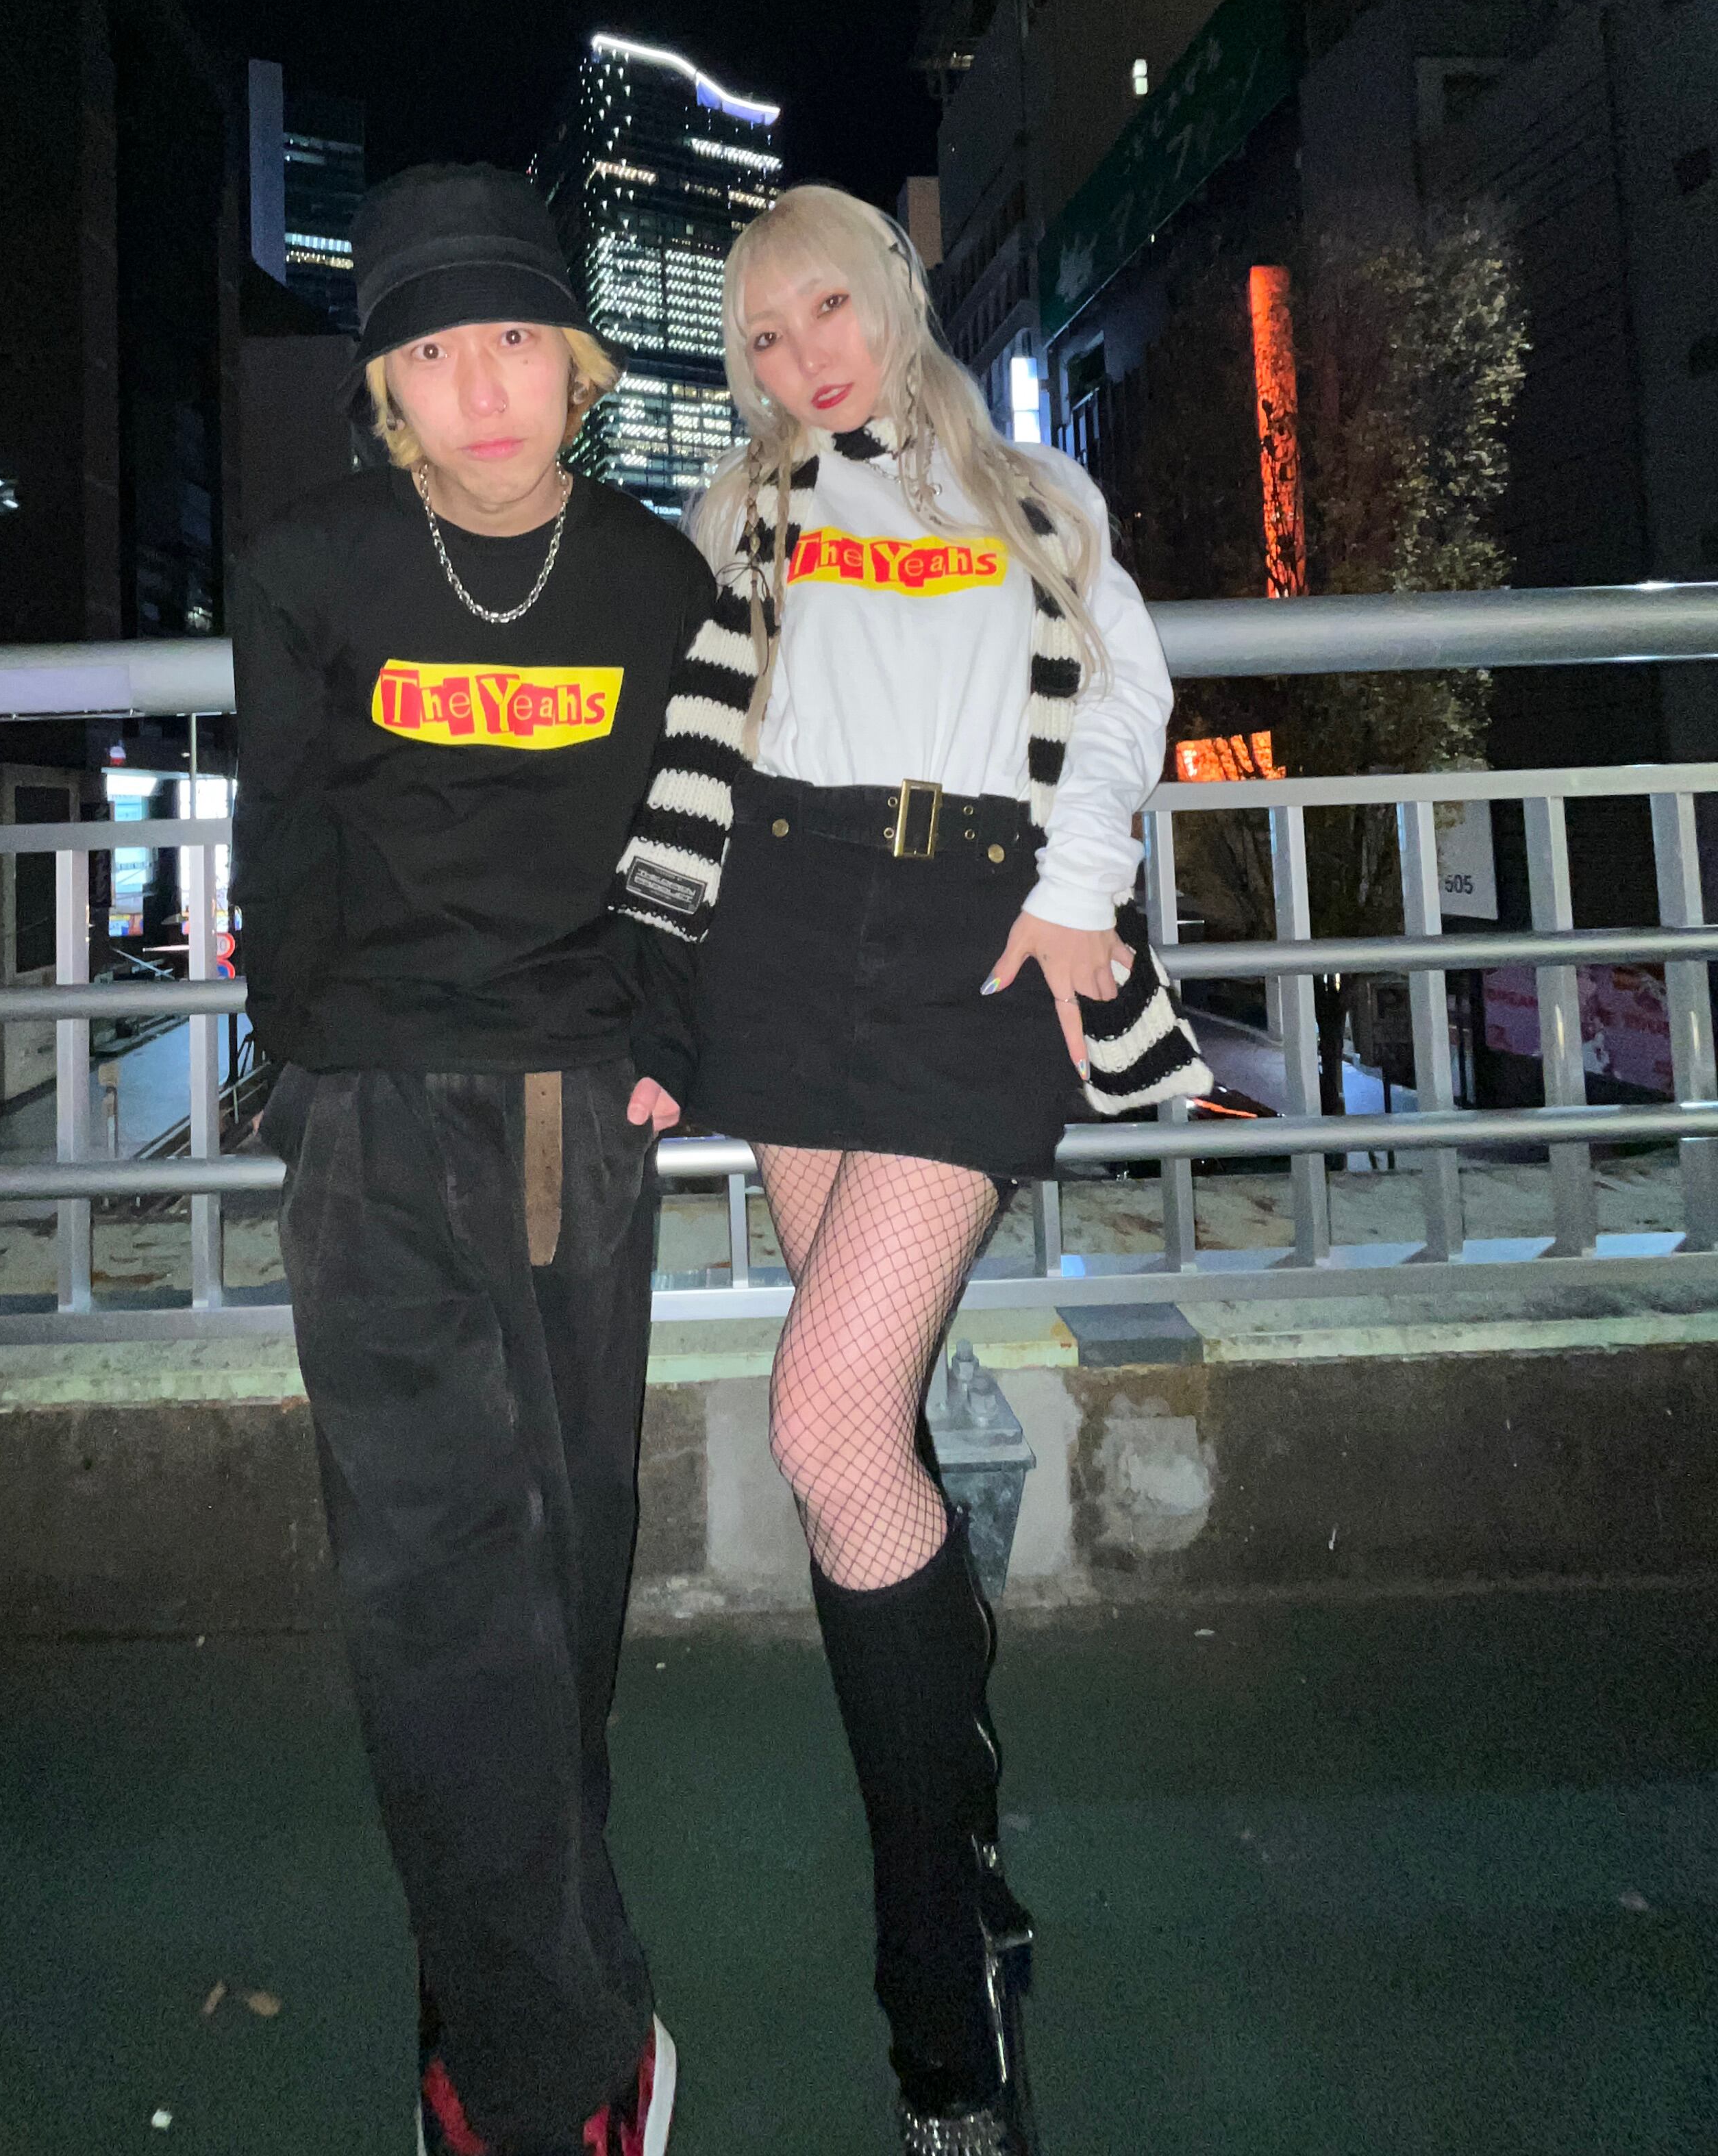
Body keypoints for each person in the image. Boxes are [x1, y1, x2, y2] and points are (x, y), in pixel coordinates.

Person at [611, 183, 1210, 2156]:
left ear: (892, 293)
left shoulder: (1034, 496)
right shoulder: (740, 514)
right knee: (866, 1436)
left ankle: (939, 2009)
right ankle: (969, 1849)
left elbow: (1122, 701)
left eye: (825, 314)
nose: (802, 361)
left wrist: (1077, 891)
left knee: (828, 1420)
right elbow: (671, 734)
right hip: (786, 942)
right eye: (761, 340)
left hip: (976, 942)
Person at [232, 164, 710, 2156]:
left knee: (567, 1558)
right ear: (388, 394)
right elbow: (283, 842)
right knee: (437, 1577)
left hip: (573, 1105)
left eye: (516, 338)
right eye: (434, 353)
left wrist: (663, 1043)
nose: (484, 385)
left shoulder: (657, 581)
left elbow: (697, 834)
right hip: (368, 1108)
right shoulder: (308, 566)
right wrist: (306, 1070)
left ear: (577, 365)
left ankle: (501, 1963)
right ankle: (542, 2071)